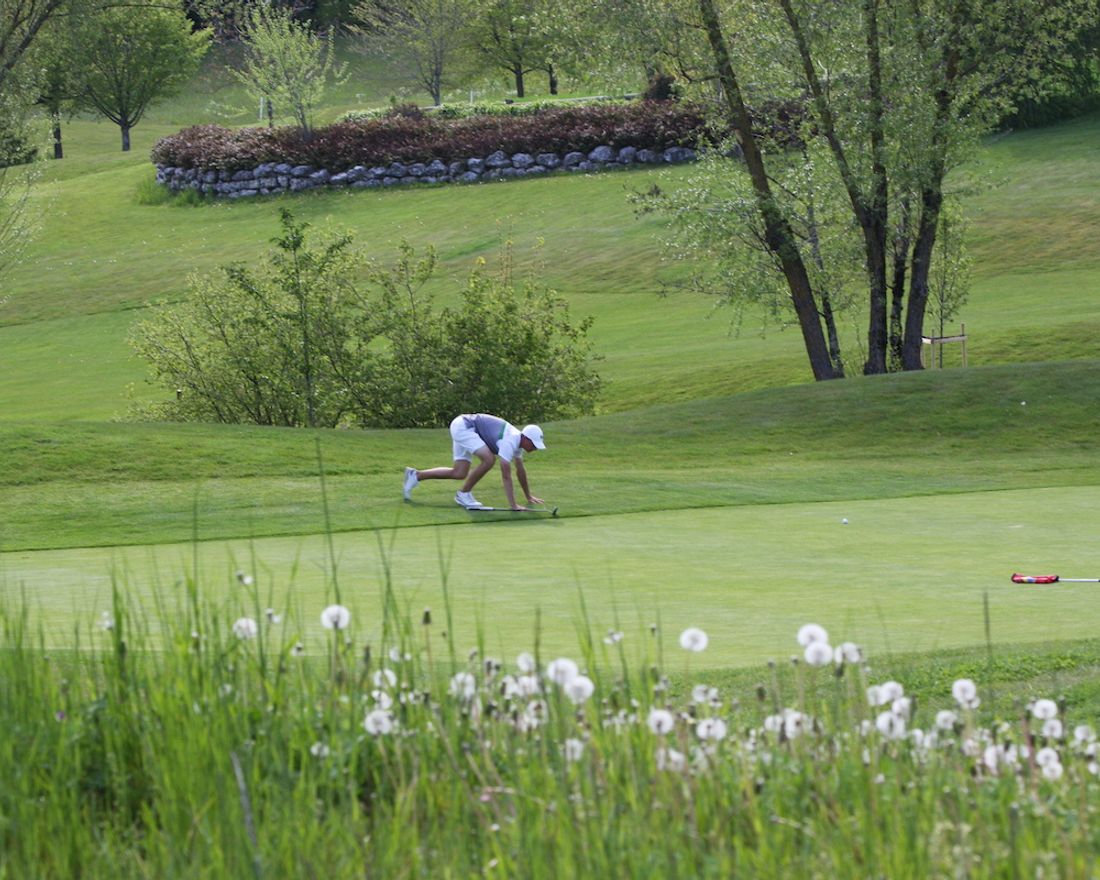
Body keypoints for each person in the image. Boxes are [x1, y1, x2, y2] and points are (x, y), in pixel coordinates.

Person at [403, 413, 546, 510]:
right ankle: (463, 494)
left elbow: (520, 471)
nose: (535, 448)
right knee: (489, 459)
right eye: (534, 444)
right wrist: (513, 504)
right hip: (464, 427)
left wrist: (528, 496)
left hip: (464, 426)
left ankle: (415, 475)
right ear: (526, 438)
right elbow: (506, 475)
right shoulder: (510, 441)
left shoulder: (518, 444)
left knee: (459, 472)